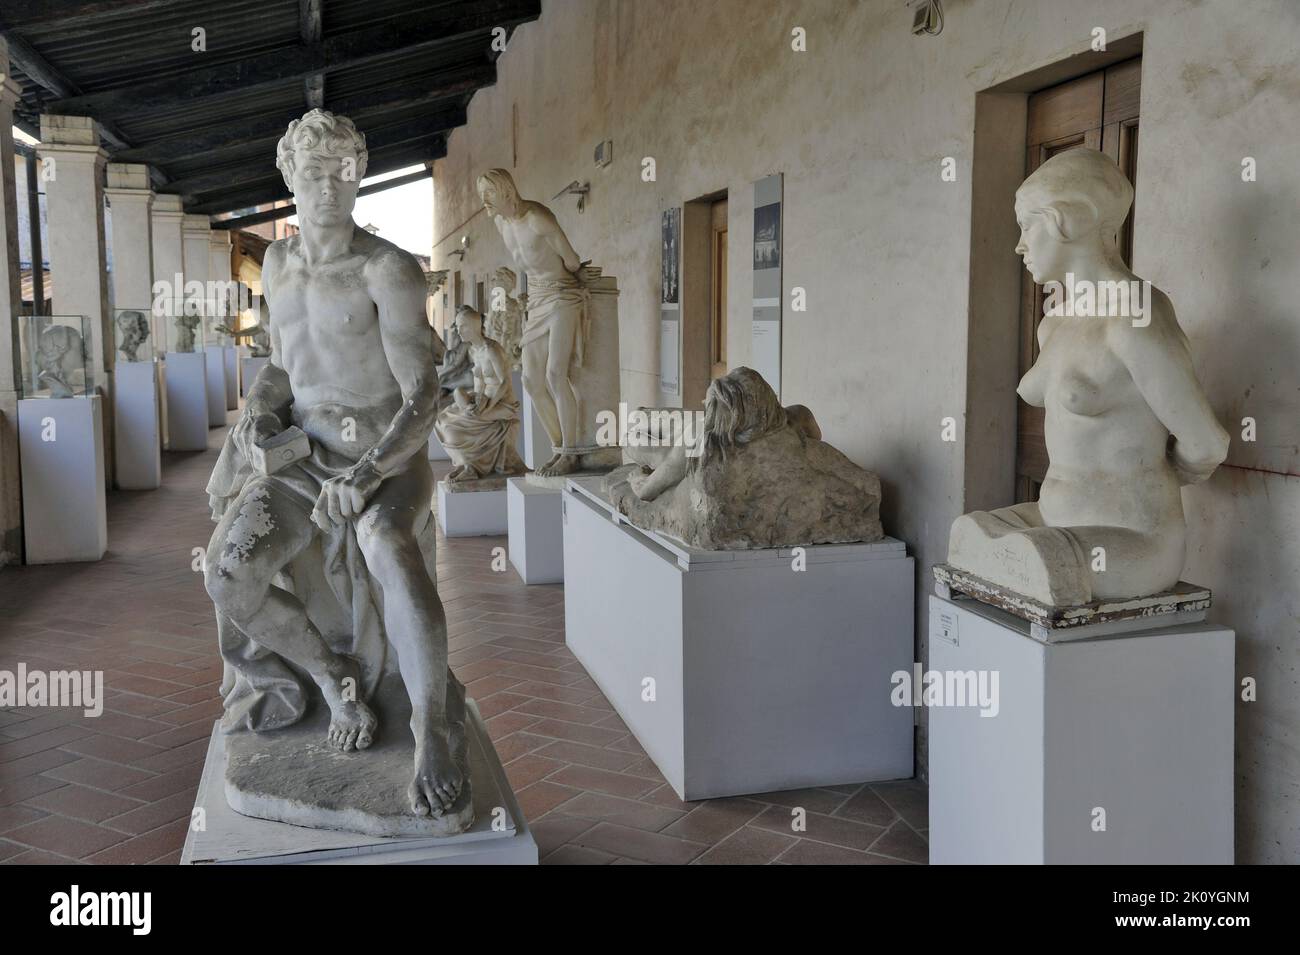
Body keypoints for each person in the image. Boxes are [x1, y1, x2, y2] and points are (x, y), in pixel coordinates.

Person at [204, 109, 465, 820]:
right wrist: (259, 411)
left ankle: (430, 728)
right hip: (302, 459)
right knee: (226, 570)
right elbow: (281, 367)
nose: (329, 187)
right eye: (313, 174)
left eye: (343, 171)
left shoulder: (388, 269)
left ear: (360, 175)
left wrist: (369, 470)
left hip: (383, 458)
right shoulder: (280, 266)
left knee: (388, 542)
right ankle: (332, 675)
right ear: (289, 179)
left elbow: (424, 393)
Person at [948, 148, 1229, 604]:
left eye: (1027, 225)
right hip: (1051, 518)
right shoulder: (1055, 321)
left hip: (1131, 538)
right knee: (968, 533)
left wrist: (1149, 476)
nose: (1019, 244)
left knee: (1032, 559)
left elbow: (1207, 443)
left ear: (1073, 219)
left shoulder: (1134, 317)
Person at [478, 168, 597, 477]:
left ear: (506, 191)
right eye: (482, 196)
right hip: (538, 300)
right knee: (531, 380)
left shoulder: (538, 219)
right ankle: (560, 448)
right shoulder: (501, 223)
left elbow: (571, 259)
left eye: (488, 194)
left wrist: (569, 273)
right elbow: (525, 265)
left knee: (556, 375)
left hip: (561, 296)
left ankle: (572, 451)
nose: (484, 202)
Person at [434, 305, 526, 482]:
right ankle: (467, 464)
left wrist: (486, 406)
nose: (459, 331)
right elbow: (480, 383)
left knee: (452, 430)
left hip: (502, 404)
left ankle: (472, 467)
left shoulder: (492, 349)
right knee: (443, 418)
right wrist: (474, 401)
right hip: (483, 400)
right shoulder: (473, 351)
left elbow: (505, 382)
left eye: (463, 326)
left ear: (474, 327)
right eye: (458, 326)